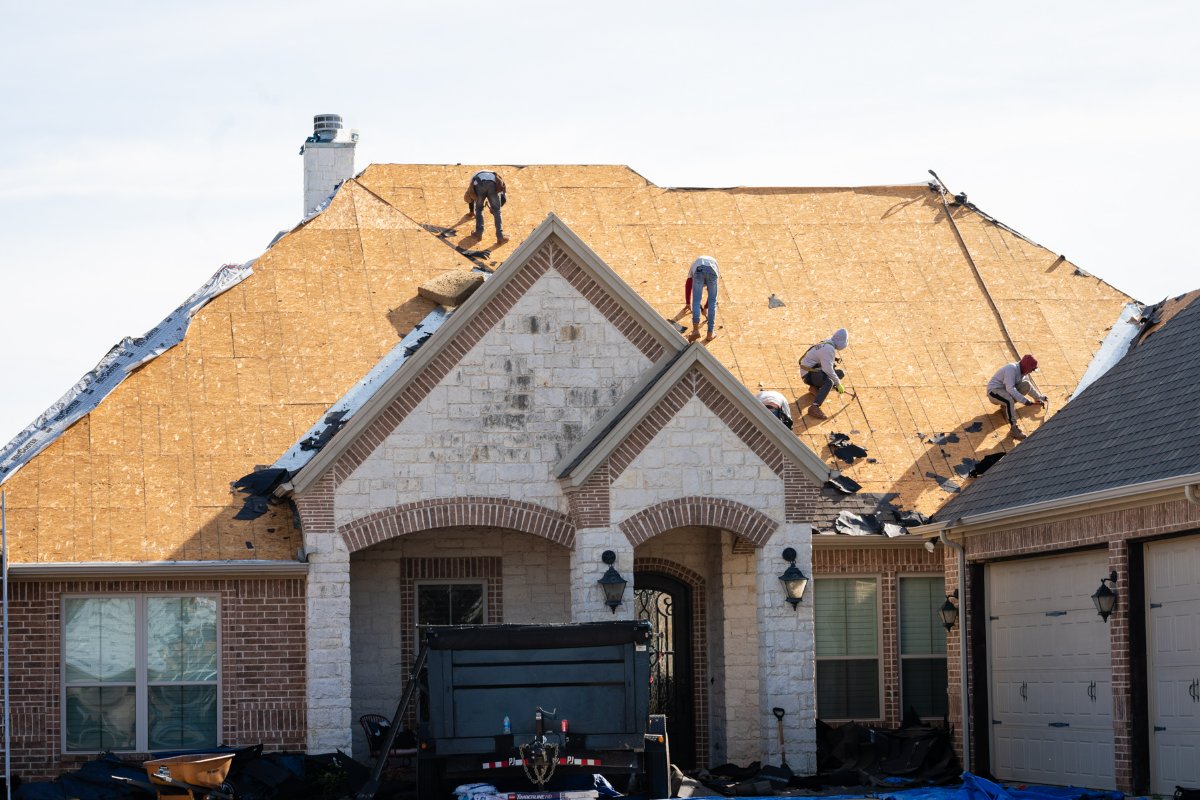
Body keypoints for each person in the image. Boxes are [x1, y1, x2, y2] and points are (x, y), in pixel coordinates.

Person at [986, 354, 1047, 440]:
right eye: (1032, 369)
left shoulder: (1024, 373)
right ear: (1026, 367)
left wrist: (1039, 397)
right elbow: (1010, 388)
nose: (1032, 371)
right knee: (1009, 400)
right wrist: (1024, 401)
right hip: (994, 392)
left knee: (1026, 385)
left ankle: (1005, 407)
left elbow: (1029, 388)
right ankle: (1014, 428)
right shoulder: (1011, 369)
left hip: (1004, 391)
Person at [798, 329, 849, 419]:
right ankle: (814, 407)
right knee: (829, 382)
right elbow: (827, 370)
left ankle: (814, 388)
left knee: (840, 373)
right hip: (808, 374)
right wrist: (838, 384)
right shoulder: (829, 349)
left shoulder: (828, 342)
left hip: (813, 371)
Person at [464, 170, 507, 240]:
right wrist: (496, 208)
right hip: (493, 184)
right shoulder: (497, 177)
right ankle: (500, 236)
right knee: (497, 211)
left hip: (479, 184)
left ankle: (478, 233)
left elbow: (471, 200)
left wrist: (472, 212)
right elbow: (503, 198)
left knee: (479, 209)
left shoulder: (472, 182)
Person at [686, 256, 719, 341]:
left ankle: (695, 330)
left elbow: (689, 284)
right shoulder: (714, 264)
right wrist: (707, 307)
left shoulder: (694, 265)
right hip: (712, 270)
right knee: (713, 302)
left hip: (699, 270)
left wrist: (688, 302)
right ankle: (710, 333)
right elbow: (712, 298)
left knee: (696, 300)